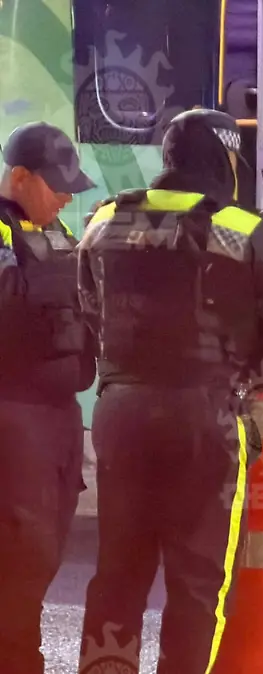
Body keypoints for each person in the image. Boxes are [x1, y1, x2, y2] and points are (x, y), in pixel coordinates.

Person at [76, 108, 263, 674]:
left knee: (118, 572)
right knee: (197, 585)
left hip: (120, 414)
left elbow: (89, 309)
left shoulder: (105, 220)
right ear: (224, 159)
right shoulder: (242, 228)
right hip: (205, 419)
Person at [0, 122, 98, 674]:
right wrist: (73, 269)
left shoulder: (54, 229)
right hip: (15, 416)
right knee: (22, 552)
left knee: (44, 554)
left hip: (58, 420)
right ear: (19, 177)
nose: (67, 194)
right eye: (57, 184)